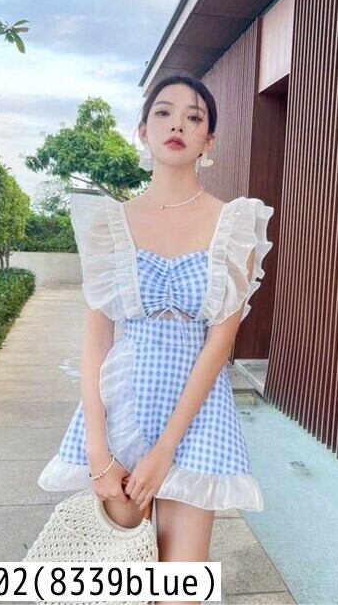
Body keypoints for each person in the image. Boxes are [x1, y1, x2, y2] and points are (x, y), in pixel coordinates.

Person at [37, 74, 274, 605]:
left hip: (197, 417)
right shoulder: (110, 223)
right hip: (123, 407)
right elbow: (96, 340)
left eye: (194, 117)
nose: (178, 125)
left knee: (180, 591)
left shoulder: (234, 224)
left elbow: (220, 344)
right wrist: (97, 449)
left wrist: (166, 449)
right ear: (143, 130)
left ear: (209, 140)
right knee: (115, 583)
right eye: (164, 113)